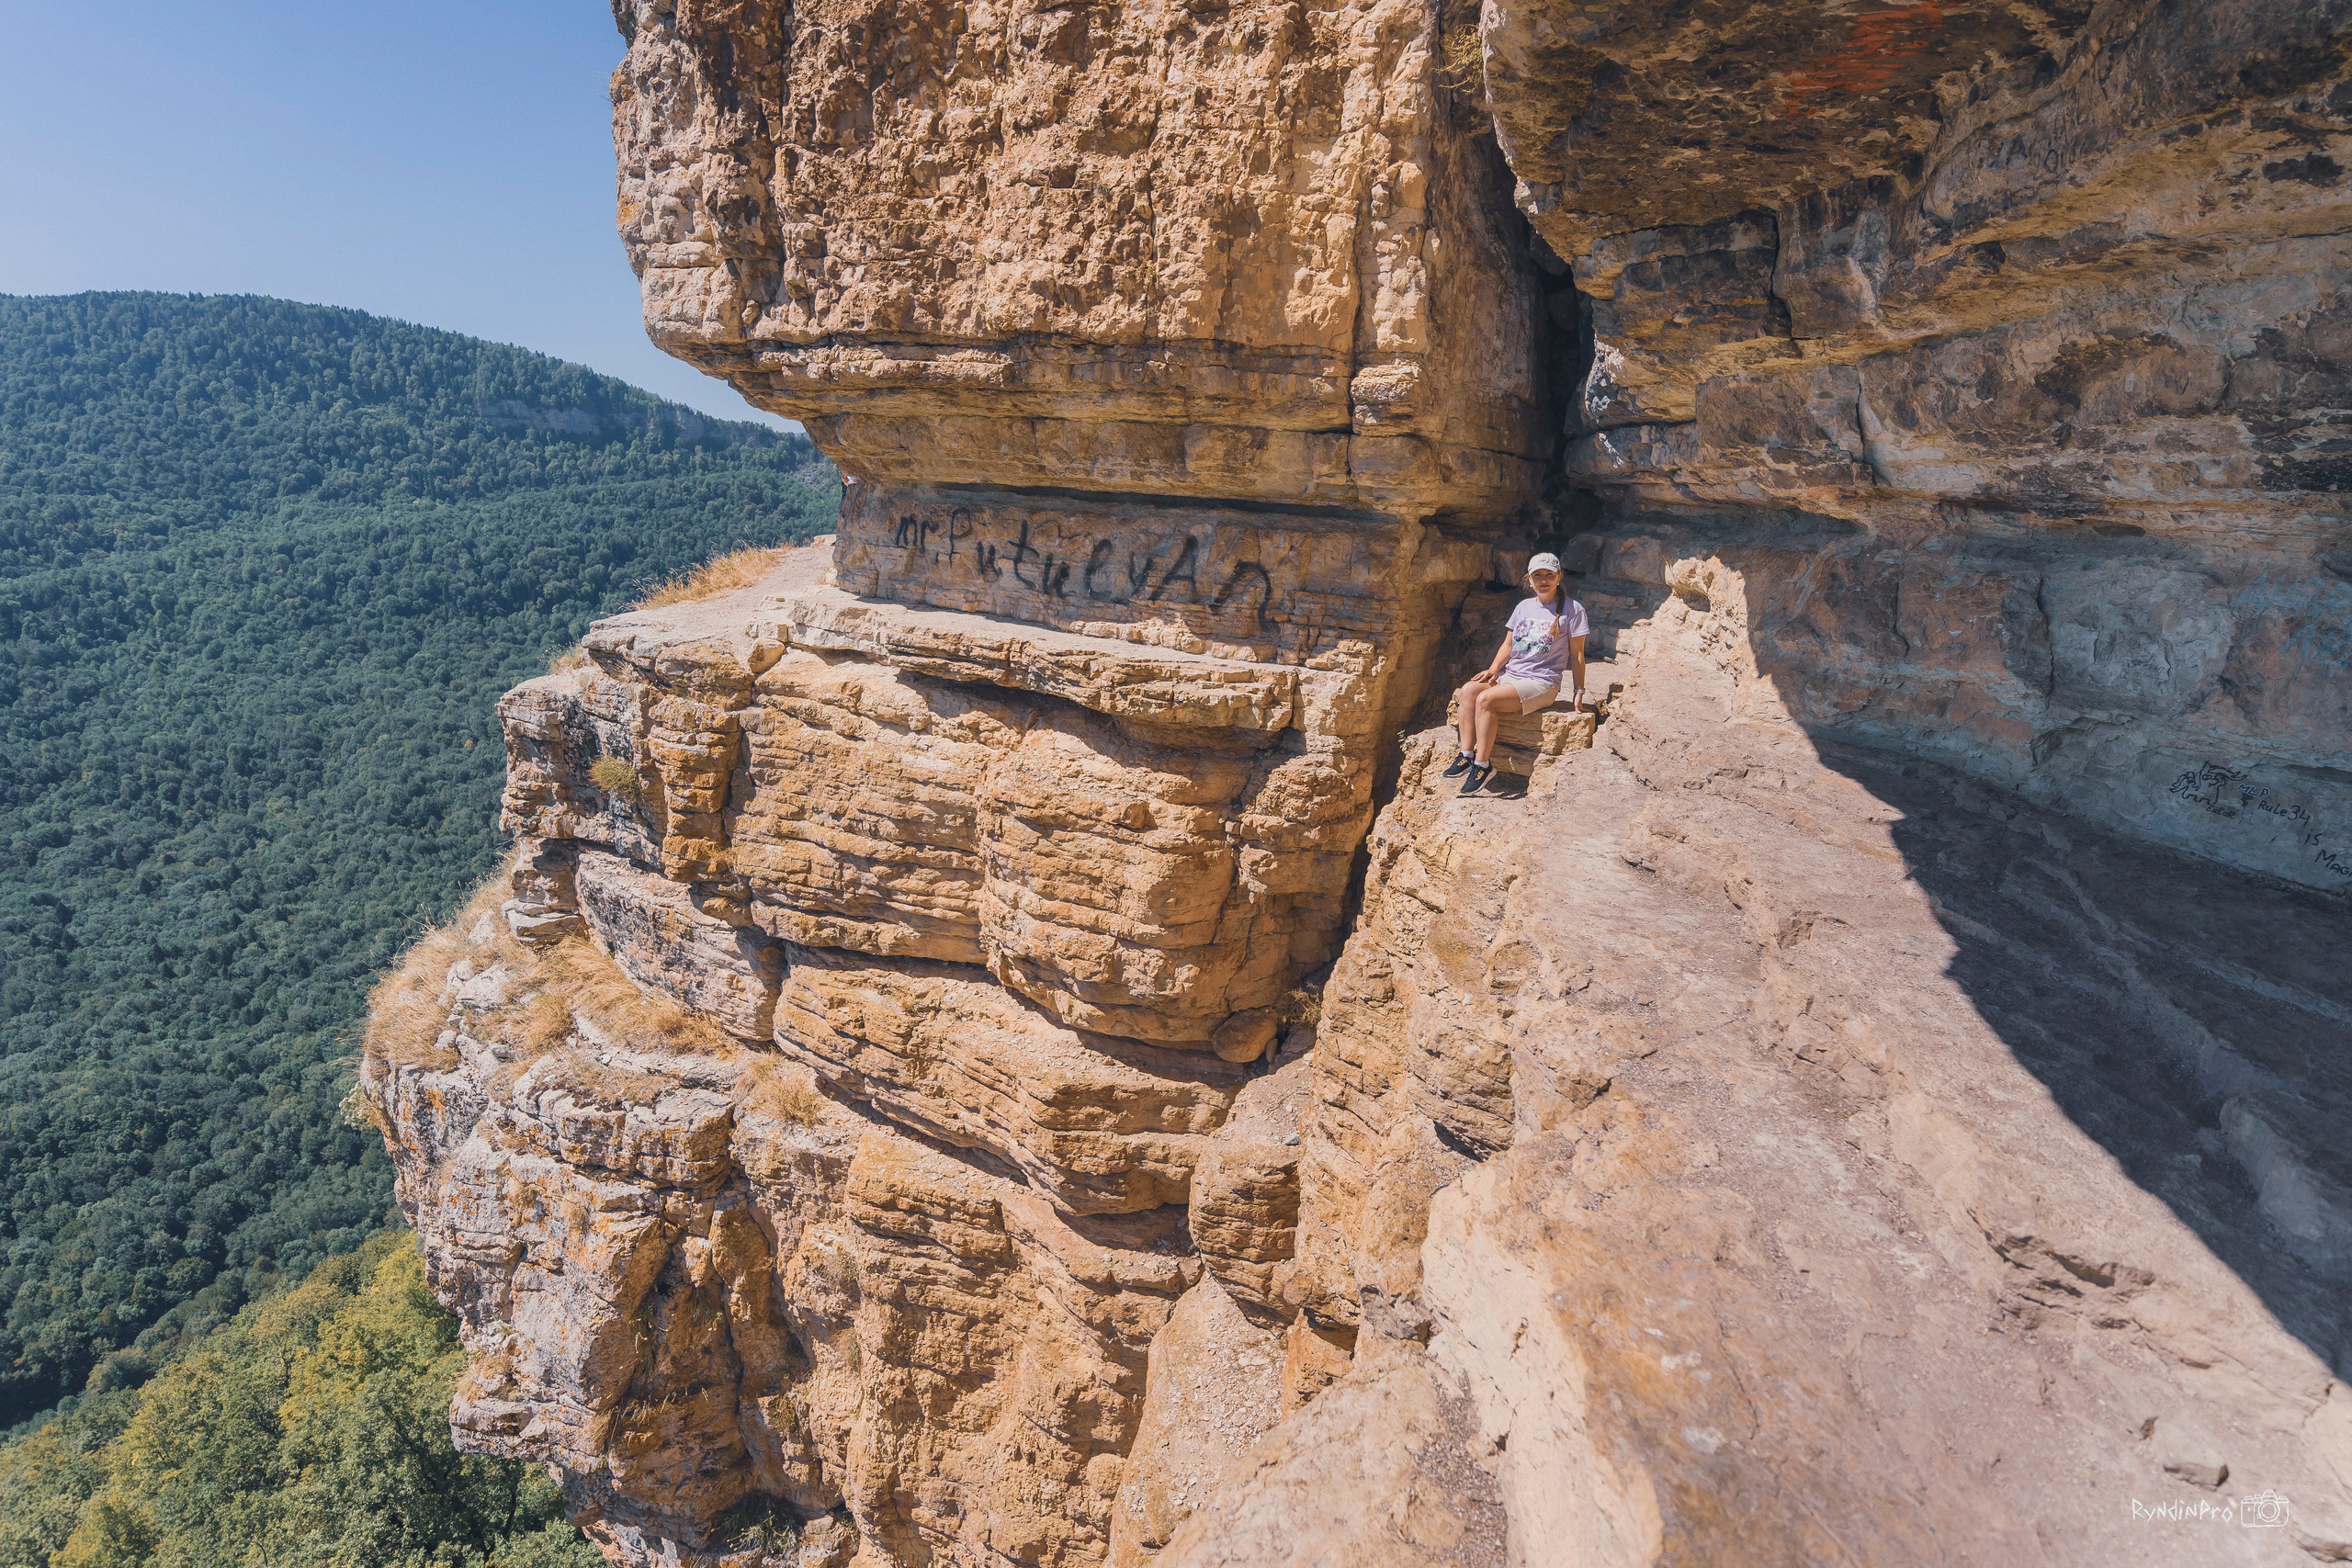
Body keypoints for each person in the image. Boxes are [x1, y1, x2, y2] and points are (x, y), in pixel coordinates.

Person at [1443, 552, 1589, 795]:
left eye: (1549, 575)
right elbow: (1508, 645)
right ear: (1529, 579)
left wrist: (1579, 691)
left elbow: (1578, 654)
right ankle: (1466, 755)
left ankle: (1483, 765)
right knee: (1469, 690)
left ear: (1559, 577)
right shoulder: (1523, 607)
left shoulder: (1573, 609)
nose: (1543, 580)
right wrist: (1493, 669)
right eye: (1537, 575)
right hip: (1511, 676)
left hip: (1542, 682)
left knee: (1486, 700)